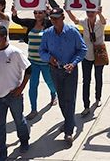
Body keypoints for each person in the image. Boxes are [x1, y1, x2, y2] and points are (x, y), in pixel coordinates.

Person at [39, 8, 87, 144]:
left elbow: (82, 49)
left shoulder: (73, 32)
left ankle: (69, 131)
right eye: (52, 18)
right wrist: (48, 58)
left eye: (56, 18)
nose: (54, 21)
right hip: (55, 70)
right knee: (61, 99)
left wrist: (73, 63)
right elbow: (42, 50)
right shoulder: (47, 34)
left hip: (70, 71)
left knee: (70, 100)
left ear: (63, 17)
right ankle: (68, 121)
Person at [0, 25, 31, 160]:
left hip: (14, 96)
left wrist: (20, 89)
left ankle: (24, 140)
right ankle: (1, 153)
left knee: (19, 121)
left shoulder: (15, 52)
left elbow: (29, 70)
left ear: (4, 37)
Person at [12, 8, 57, 120]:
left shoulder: (49, 24)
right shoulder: (31, 23)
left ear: (44, 14)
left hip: (45, 61)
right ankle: (33, 109)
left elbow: (57, 20)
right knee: (33, 85)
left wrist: (50, 11)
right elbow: (17, 20)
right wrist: (14, 13)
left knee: (49, 81)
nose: (37, 15)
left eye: (40, 13)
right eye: (35, 13)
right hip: (32, 61)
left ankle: (53, 93)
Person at [66, 7, 107, 117]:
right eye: (88, 12)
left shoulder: (100, 21)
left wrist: (100, 14)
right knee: (86, 80)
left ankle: (98, 98)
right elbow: (75, 20)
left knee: (98, 77)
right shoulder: (84, 21)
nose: (90, 14)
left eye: (92, 12)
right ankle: (86, 105)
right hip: (87, 55)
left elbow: (104, 21)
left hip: (99, 54)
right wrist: (68, 11)